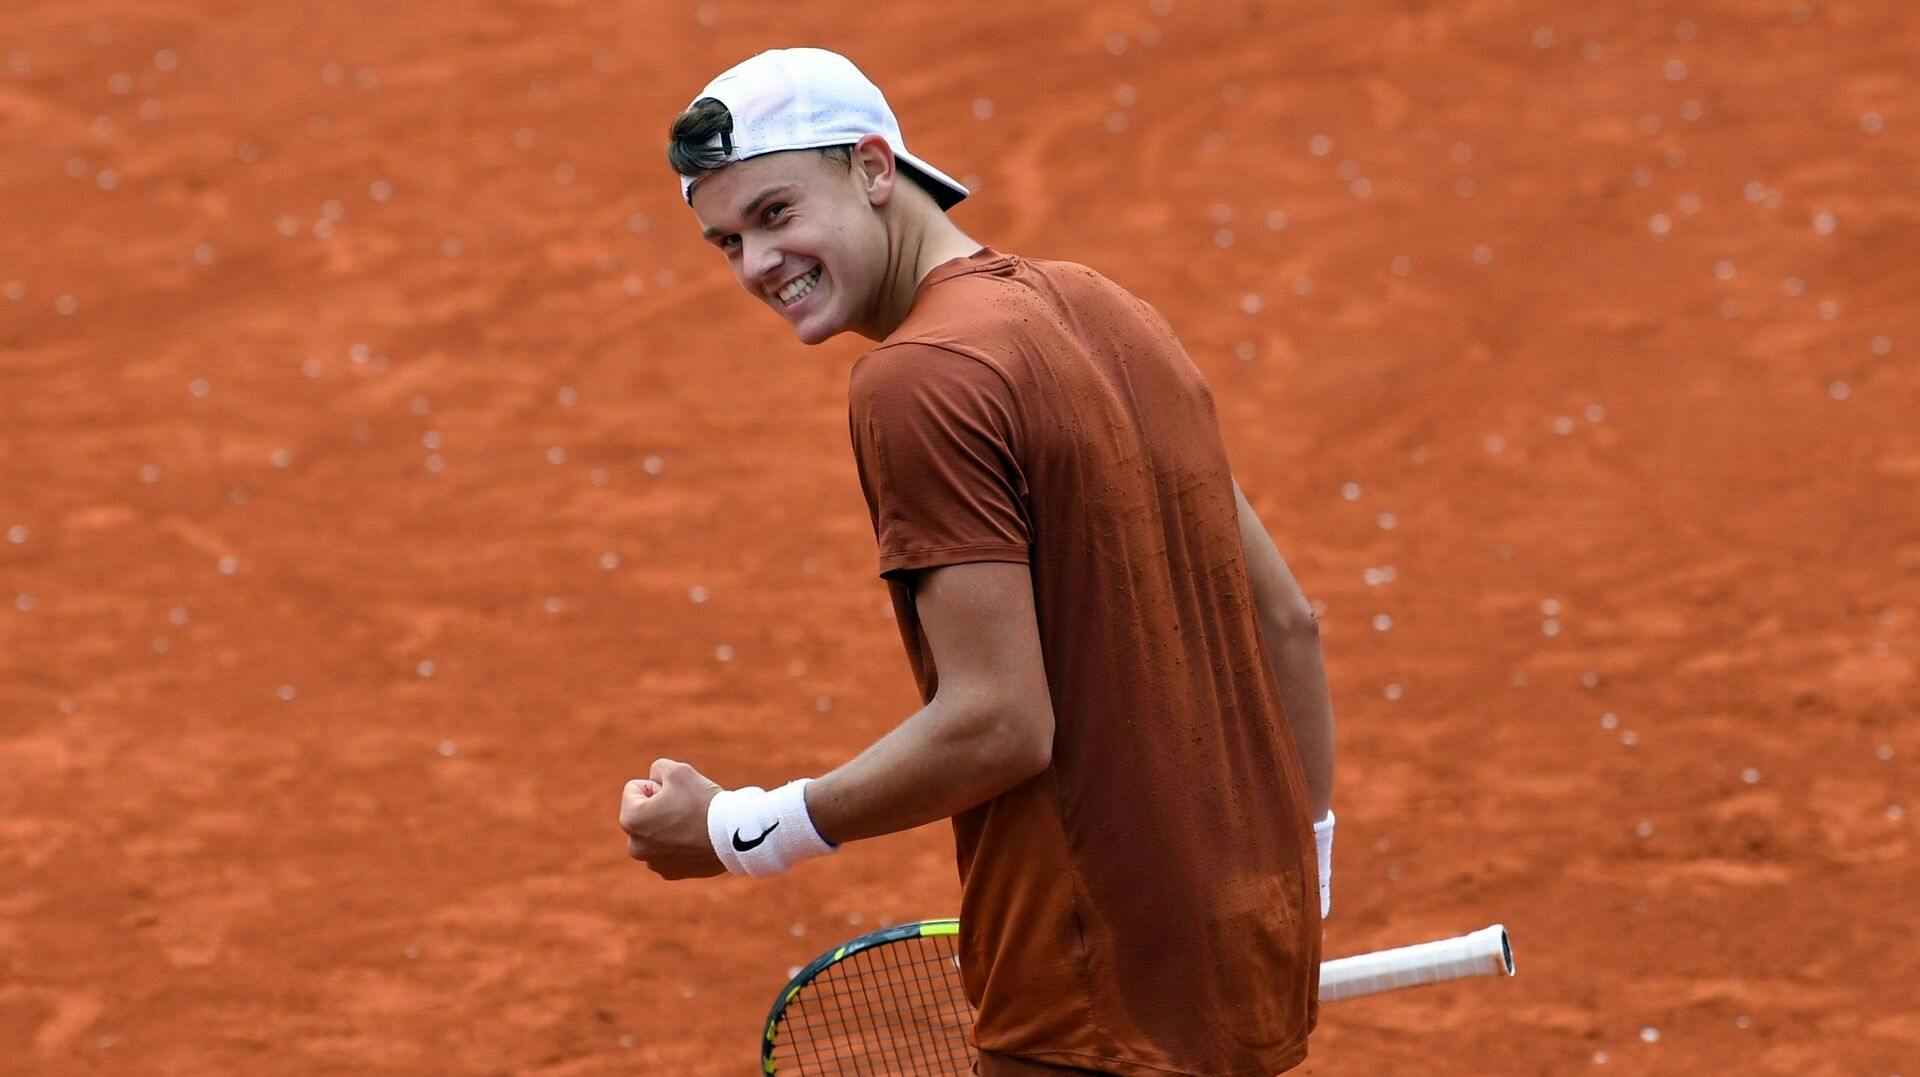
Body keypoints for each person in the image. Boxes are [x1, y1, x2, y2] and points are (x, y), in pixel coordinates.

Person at [619, 47, 1338, 1077]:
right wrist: (1297, 892)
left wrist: (741, 829)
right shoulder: (1113, 313)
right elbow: (1288, 627)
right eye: (726, 240)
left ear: (874, 169)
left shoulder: (915, 382)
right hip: (1234, 975)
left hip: (1082, 1000)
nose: (754, 266)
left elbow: (1001, 723)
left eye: (776, 214)